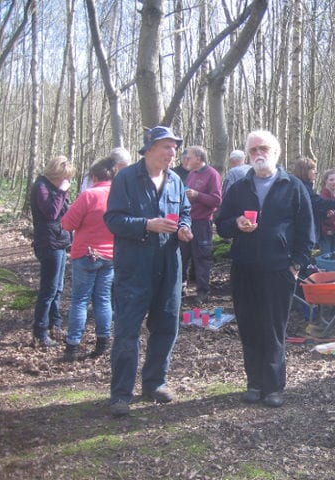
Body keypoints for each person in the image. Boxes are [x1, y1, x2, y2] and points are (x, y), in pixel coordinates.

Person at [215, 130, 314, 408]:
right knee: (248, 326)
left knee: (273, 328)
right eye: (253, 150)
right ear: (248, 155)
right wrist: (236, 223)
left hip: (278, 269)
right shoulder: (238, 188)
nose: (259, 154)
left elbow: (307, 232)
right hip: (244, 267)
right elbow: (221, 226)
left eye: (264, 149)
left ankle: (273, 387)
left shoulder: (293, 186)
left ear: (276, 152)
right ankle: (254, 383)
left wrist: (296, 265)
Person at [104, 126, 193, 417]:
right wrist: (146, 224)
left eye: (174, 148)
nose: (172, 153)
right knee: (128, 330)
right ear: (150, 148)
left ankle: (155, 382)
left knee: (167, 325)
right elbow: (113, 220)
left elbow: (185, 212)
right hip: (135, 265)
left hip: (169, 264)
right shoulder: (126, 178)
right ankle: (121, 394)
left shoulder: (176, 181)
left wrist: (184, 228)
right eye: (167, 147)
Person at [61, 156, 118, 361]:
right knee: (103, 299)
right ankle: (103, 341)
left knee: (80, 300)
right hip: (110, 255)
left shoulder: (89, 195)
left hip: (86, 254)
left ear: (94, 176)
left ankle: (73, 346)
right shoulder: (119, 195)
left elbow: (67, 223)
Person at [30, 155, 75, 347]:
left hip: (59, 242)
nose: (63, 181)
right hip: (48, 243)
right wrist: (61, 192)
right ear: (55, 173)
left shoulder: (54, 189)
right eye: (62, 177)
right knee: (48, 290)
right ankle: (40, 331)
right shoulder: (41, 187)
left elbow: (65, 214)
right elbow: (51, 213)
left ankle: (54, 325)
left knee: (57, 289)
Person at [181, 145, 222, 303]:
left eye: (189, 157)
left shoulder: (212, 175)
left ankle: (203, 291)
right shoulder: (191, 174)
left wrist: (197, 195)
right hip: (187, 220)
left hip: (202, 222)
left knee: (201, 257)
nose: (186, 159)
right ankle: (182, 287)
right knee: (183, 255)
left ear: (199, 158)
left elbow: (217, 200)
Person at [292, 157, 335, 250]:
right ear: (304, 171)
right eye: (312, 169)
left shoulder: (306, 187)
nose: (315, 172)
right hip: (303, 233)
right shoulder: (302, 188)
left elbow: (315, 209)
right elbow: (321, 203)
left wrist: (325, 214)